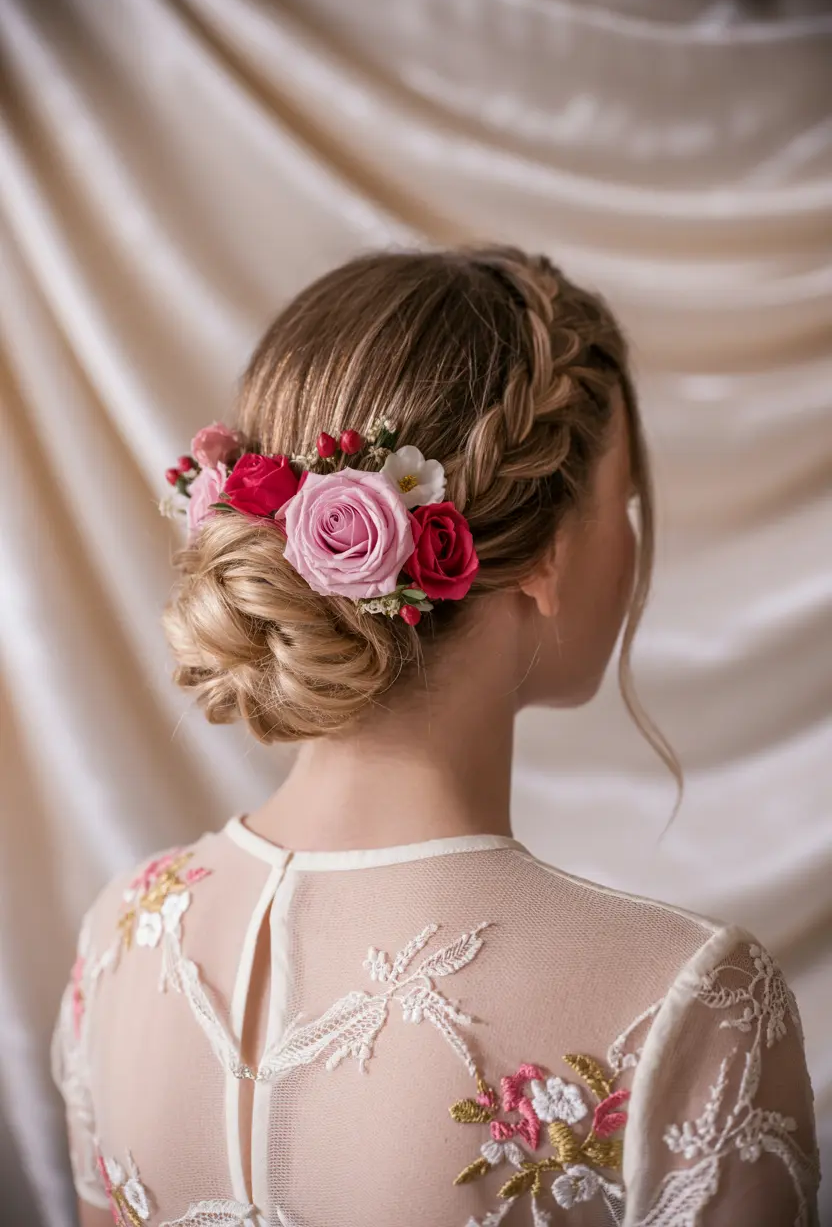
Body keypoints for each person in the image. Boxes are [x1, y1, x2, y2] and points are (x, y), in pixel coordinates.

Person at [52, 248, 818, 1227]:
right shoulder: (687, 1004)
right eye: (621, 500)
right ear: (544, 553)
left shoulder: (120, 940)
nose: (630, 539)